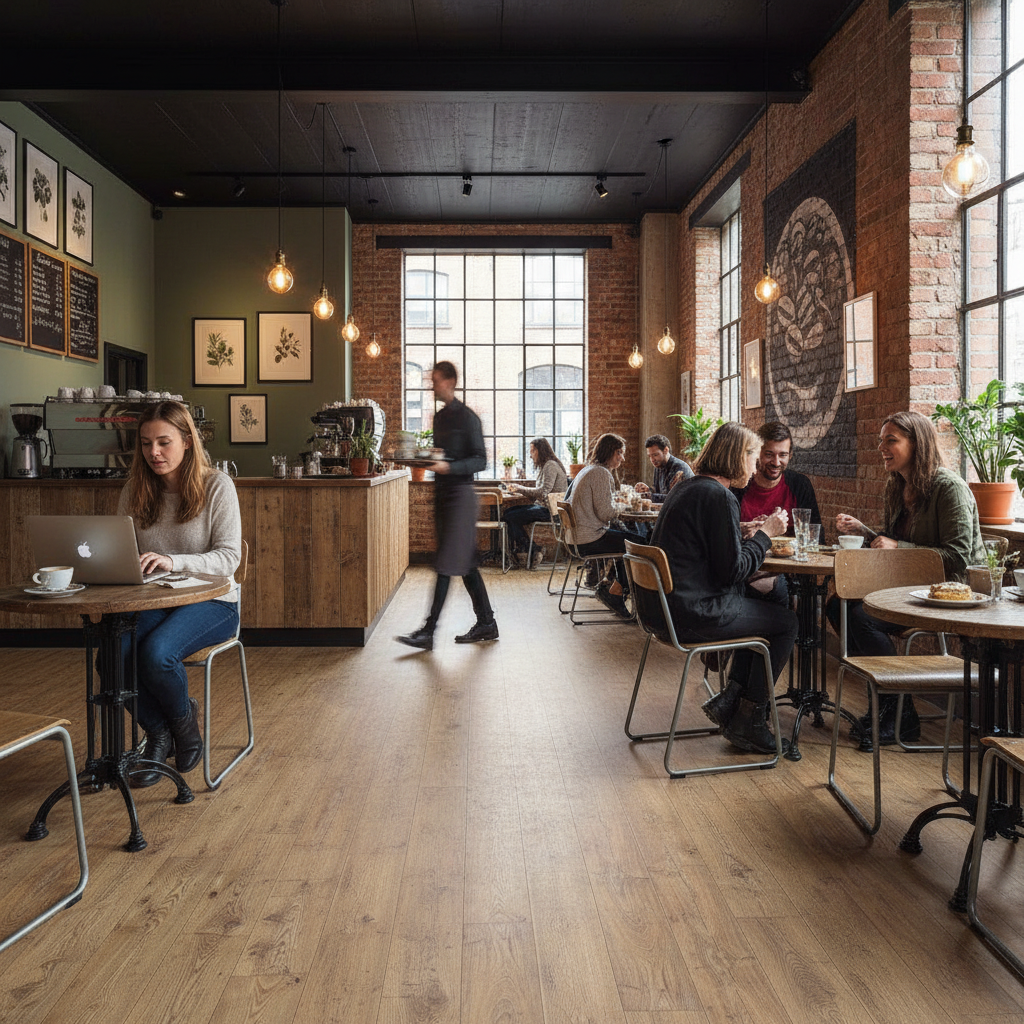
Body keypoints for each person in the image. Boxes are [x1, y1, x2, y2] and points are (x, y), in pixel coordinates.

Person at [828, 410, 986, 748]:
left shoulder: (949, 488)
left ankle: (899, 712)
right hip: (910, 589)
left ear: (918, 444)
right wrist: (867, 532)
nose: (882, 448)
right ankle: (890, 707)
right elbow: (895, 545)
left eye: (891, 440)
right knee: (836, 606)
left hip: (952, 594)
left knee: (861, 617)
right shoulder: (896, 485)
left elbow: (958, 557)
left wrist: (898, 546)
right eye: (881, 440)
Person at [645, 421, 797, 755]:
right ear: (738, 456)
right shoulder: (719, 496)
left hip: (660, 611)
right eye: (753, 458)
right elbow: (733, 571)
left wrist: (739, 530)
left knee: (759, 604)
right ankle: (749, 720)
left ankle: (731, 701)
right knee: (786, 622)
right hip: (692, 615)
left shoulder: (689, 487)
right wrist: (765, 534)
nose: (755, 468)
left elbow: (705, 543)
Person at [118, 401, 242, 788]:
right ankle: (159, 733)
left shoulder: (217, 485)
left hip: (214, 602)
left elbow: (229, 558)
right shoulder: (134, 490)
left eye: (164, 442)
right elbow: (121, 550)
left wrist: (173, 561)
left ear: (187, 441)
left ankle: (185, 728)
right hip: (155, 600)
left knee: (156, 655)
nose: (153, 452)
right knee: (112, 654)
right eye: (145, 443)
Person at [397, 361, 498, 651]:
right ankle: (487, 622)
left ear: (451, 382)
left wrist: (449, 467)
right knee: (465, 563)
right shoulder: (439, 418)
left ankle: (428, 631)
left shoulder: (469, 418)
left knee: (445, 562)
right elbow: (444, 454)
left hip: (461, 497)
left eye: (437, 381)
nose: (432, 386)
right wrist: (431, 457)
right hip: (442, 495)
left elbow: (480, 460)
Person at [732, 421, 821, 605]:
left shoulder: (799, 485)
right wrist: (751, 531)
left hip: (789, 572)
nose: (776, 462)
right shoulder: (739, 485)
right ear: (757, 452)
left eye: (783, 455)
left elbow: (816, 536)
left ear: (790, 455)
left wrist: (778, 533)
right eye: (769, 454)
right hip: (746, 568)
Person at [567, 432, 645, 618]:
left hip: (576, 538)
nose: (622, 458)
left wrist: (615, 504)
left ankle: (612, 587)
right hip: (589, 539)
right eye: (619, 452)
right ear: (609, 451)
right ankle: (615, 593)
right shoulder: (601, 473)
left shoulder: (588, 469)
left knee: (626, 538)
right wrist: (625, 505)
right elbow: (606, 513)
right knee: (640, 546)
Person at [504, 438, 568, 567]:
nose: (530, 455)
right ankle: (531, 550)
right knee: (507, 513)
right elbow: (541, 493)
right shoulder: (546, 466)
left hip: (551, 511)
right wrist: (520, 490)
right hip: (544, 507)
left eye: (532, 451)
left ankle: (529, 550)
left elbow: (544, 491)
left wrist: (520, 488)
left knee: (510, 516)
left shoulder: (550, 465)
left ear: (540, 451)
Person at [634, 434, 693, 502]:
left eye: (655, 455)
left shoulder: (680, 468)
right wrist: (647, 490)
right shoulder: (658, 466)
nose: (652, 459)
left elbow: (675, 499)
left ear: (666, 450)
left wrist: (649, 495)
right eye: (649, 456)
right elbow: (658, 492)